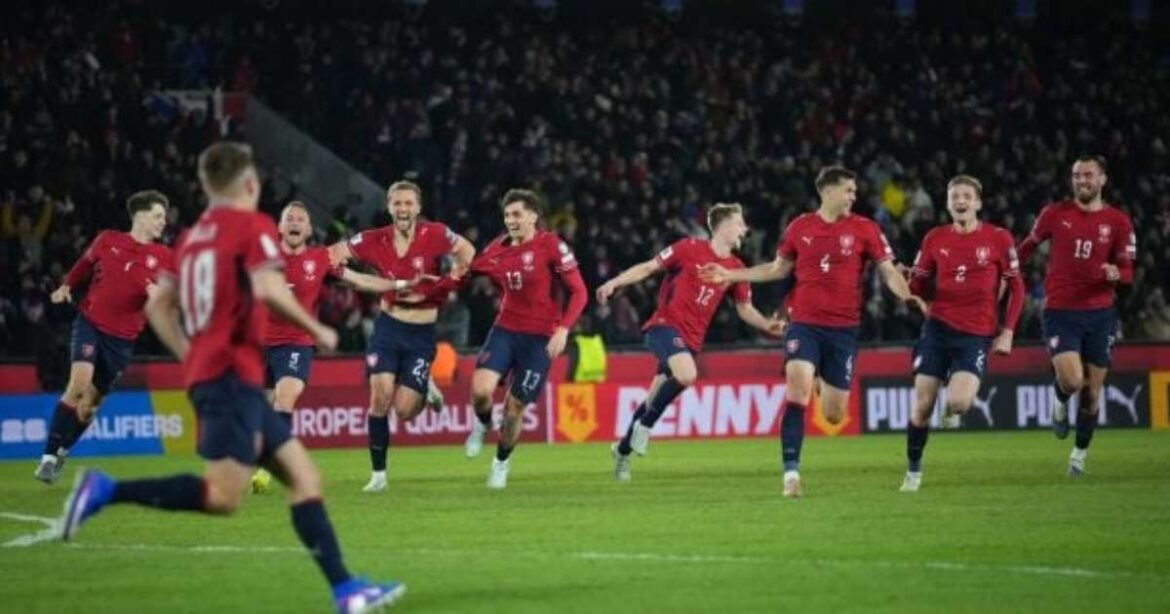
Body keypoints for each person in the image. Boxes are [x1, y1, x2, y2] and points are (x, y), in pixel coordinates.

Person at [59, 142, 405, 612]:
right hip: (231, 378)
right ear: (249, 183)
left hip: (216, 374)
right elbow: (265, 286)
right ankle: (105, 489)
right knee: (222, 496)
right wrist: (317, 327)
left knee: (305, 478)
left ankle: (346, 590)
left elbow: (161, 305)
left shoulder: (191, 239)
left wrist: (189, 354)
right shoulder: (252, 226)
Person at [702, 166, 924, 498]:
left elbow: (889, 271)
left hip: (844, 330)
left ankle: (820, 376)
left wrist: (907, 295)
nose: (853, 196)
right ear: (828, 191)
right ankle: (791, 474)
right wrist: (730, 276)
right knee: (797, 391)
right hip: (803, 324)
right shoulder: (800, 227)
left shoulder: (866, 229)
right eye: (848, 190)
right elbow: (776, 269)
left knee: (834, 415)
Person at [252, 201, 437, 493]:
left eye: (301, 218)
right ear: (280, 227)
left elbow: (360, 280)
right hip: (259, 345)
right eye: (290, 218)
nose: (295, 223)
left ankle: (267, 469)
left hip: (296, 344)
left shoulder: (320, 258)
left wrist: (401, 283)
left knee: (284, 399)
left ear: (309, 228)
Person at [596, 203, 784, 481]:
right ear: (723, 226)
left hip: (691, 341)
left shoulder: (736, 268)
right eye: (740, 222)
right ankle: (646, 427)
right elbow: (648, 268)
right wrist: (615, 282)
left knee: (652, 400)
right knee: (687, 374)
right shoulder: (687, 248)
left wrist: (767, 324)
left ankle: (622, 451)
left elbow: (744, 309)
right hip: (663, 327)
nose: (744, 229)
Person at [328, 181, 475, 493]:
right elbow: (333, 257)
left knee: (404, 411)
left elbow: (468, 251)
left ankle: (424, 387)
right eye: (397, 203)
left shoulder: (435, 233)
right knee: (379, 396)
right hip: (388, 328)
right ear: (389, 206)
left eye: (409, 203)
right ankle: (378, 475)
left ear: (418, 208)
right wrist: (359, 280)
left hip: (422, 333)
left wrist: (452, 279)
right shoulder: (372, 239)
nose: (403, 209)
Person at [36, 190, 172, 484]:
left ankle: (62, 451)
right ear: (140, 215)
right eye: (159, 216)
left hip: (122, 341)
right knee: (79, 383)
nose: (164, 222)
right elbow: (84, 265)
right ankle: (47, 458)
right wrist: (67, 286)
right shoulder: (107, 240)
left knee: (89, 407)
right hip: (91, 323)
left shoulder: (165, 257)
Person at [898, 175, 1025, 492]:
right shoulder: (934, 238)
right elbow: (919, 286)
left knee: (959, 404)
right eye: (955, 196)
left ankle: (952, 403)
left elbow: (1018, 287)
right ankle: (913, 471)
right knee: (922, 405)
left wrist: (1007, 332)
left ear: (978, 202)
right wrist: (907, 282)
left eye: (967, 196)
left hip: (976, 334)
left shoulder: (999, 238)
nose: (960, 201)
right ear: (948, 202)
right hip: (937, 328)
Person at [461, 189, 588, 489]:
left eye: (517, 214)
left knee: (514, 407)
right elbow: (472, 268)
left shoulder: (552, 245)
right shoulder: (497, 249)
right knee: (480, 391)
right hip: (505, 329)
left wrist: (563, 329)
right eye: (506, 215)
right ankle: (481, 424)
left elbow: (580, 292)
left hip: (541, 339)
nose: (510, 220)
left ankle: (501, 463)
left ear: (533, 216)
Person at [1017, 155, 1136, 476]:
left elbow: (1127, 272)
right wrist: (1006, 269)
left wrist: (1116, 273)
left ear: (1102, 180)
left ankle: (1079, 455)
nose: (1082, 181)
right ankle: (1058, 401)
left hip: (1100, 314)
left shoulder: (1119, 222)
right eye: (1077, 176)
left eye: (1089, 175)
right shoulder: (1055, 214)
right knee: (1071, 379)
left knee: (1091, 394)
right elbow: (1027, 246)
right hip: (1060, 311)